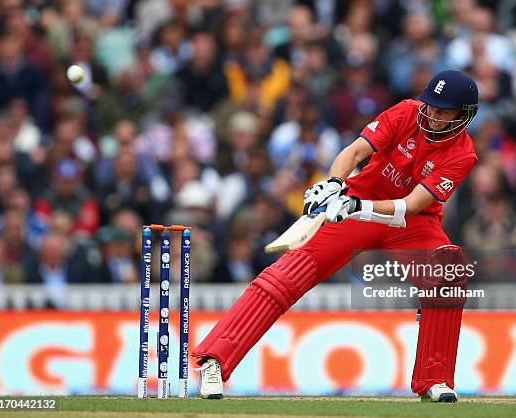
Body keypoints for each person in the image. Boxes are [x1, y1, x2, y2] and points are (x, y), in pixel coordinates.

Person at [193, 69, 479, 402]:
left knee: (447, 272)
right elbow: (354, 152)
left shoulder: (463, 154)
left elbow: (411, 206)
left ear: (464, 115)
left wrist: (359, 207)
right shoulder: (406, 111)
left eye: (442, 111)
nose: (431, 114)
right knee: (285, 276)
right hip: (356, 205)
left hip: (410, 222)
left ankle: (435, 380)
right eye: (430, 105)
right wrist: (334, 184)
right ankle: (214, 361)